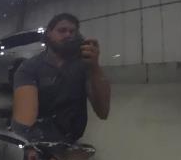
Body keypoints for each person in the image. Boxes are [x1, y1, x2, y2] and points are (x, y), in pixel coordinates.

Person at [10, 13, 110, 143]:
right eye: (62, 30)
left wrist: (95, 67)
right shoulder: (30, 67)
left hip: (72, 142)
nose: (68, 35)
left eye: (72, 32)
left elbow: (103, 111)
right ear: (49, 33)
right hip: (39, 144)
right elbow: (24, 125)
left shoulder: (83, 65)